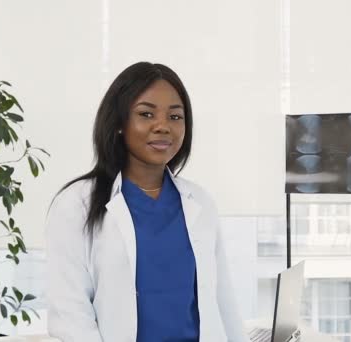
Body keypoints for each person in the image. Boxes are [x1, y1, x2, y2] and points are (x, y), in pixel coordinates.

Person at [45, 62, 249, 342]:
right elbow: (70, 315)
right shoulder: (76, 205)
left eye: (175, 117)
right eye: (146, 114)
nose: (163, 126)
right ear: (118, 123)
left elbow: (222, 301)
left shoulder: (199, 202)